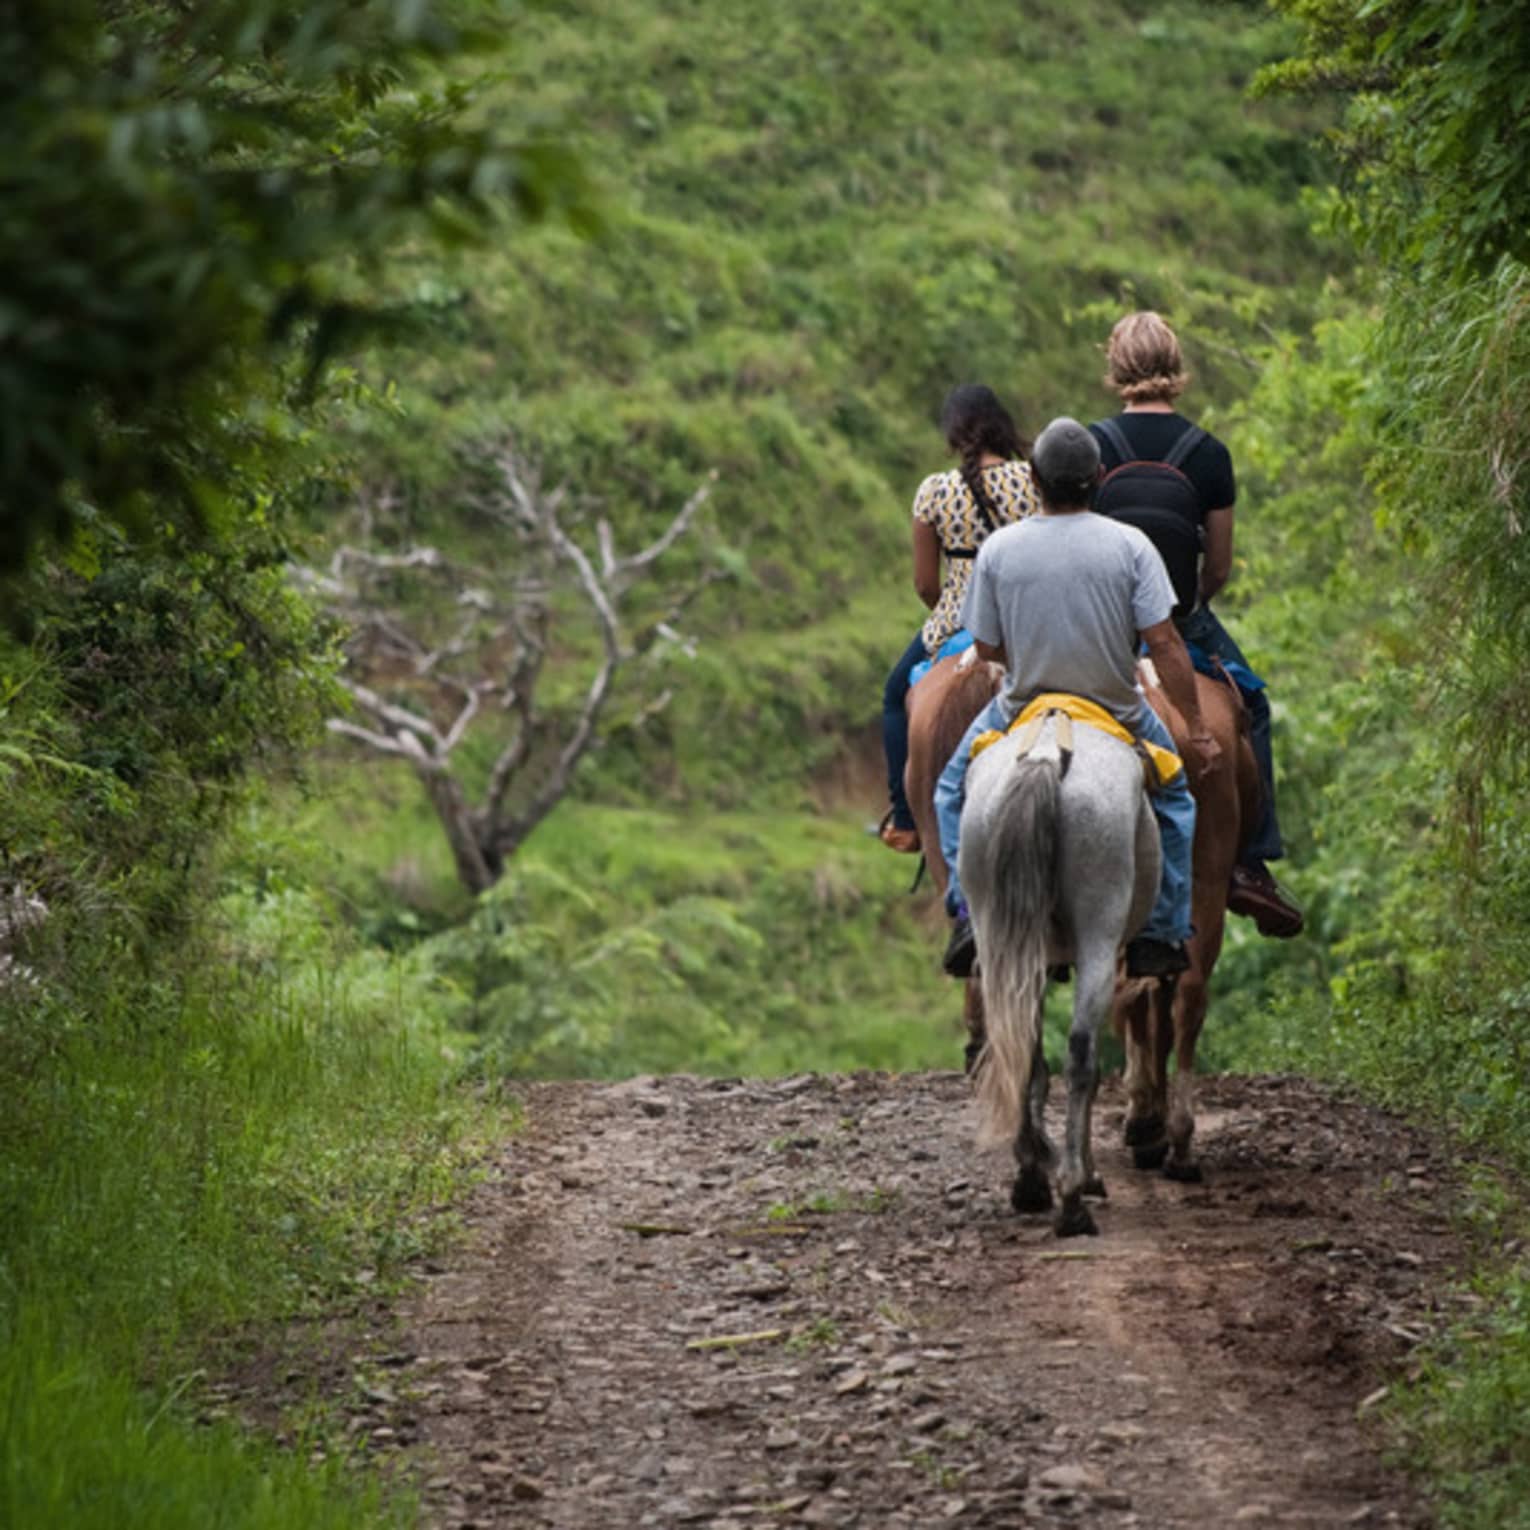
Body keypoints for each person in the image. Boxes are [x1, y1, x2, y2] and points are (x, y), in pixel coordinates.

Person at [933, 417, 1222, 980]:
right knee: (1176, 799)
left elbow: (987, 645)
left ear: (1034, 479)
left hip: (1021, 707)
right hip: (1116, 708)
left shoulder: (999, 549)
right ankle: (1161, 930)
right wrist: (1197, 727)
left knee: (949, 791)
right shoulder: (1131, 546)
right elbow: (1163, 643)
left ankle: (967, 913)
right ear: (1099, 478)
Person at [1089, 311, 1302, 937]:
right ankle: (1250, 866)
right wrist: (1185, 607)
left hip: (1106, 630)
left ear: (1118, 366)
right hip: (1180, 622)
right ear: (1176, 365)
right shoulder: (1208, 453)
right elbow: (1220, 565)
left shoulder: (1092, 446)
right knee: (1253, 705)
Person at [879, 384, 1040, 853]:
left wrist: (952, 614)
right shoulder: (1033, 479)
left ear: (954, 434)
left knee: (894, 696)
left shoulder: (935, 490)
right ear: (1001, 426)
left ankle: (907, 819)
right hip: (1024, 624)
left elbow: (926, 584)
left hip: (957, 622)